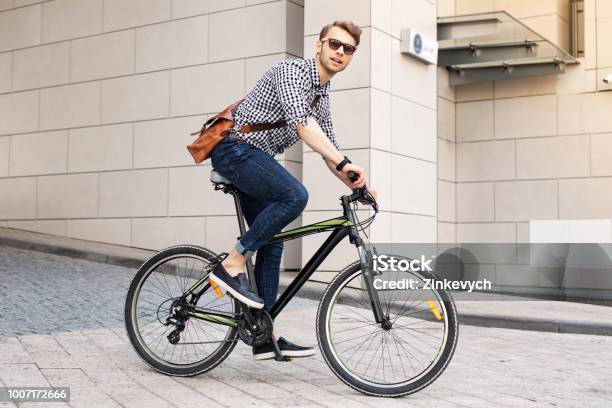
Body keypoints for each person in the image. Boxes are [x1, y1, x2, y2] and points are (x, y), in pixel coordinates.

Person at [209, 20, 377, 360]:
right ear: (319, 45)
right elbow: (302, 125)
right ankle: (231, 265)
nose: (340, 52)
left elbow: (328, 146)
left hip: (253, 157)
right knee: (295, 196)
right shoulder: (293, 72)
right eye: (335, 44)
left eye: (348, 49)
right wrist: (344, 162)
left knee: (272, 242)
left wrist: (358, 185)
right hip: (234, 149)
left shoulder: (322, 94)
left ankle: (263, 334)